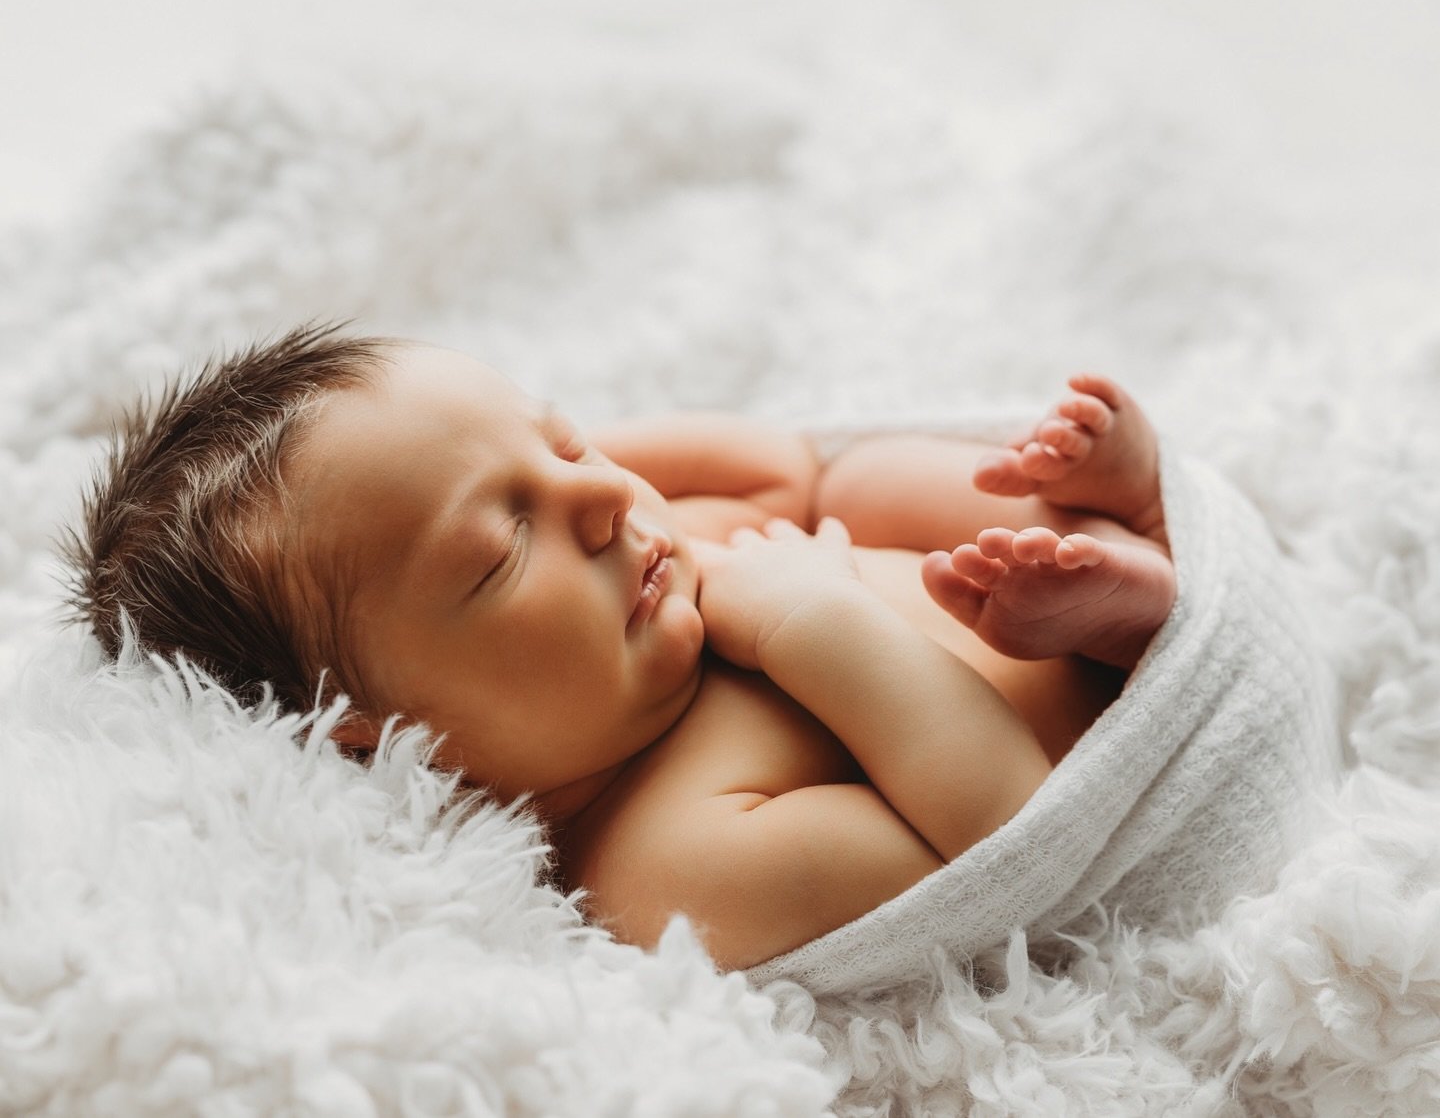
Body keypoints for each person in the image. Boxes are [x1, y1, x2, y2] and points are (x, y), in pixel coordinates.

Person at [65, 326, 1176, 970]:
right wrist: (813, 626)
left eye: (566, 441)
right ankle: (1123, 611)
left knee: (862, 477)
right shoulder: (665, 864)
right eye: (500, 547)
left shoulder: (638, 570)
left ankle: (1091, 520)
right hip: (1102, 728)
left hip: (1022, 589)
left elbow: (779, 469)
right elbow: (1011, 839)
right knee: (865, 504)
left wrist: (510, 455)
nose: (602, 495)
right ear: (382, 735)